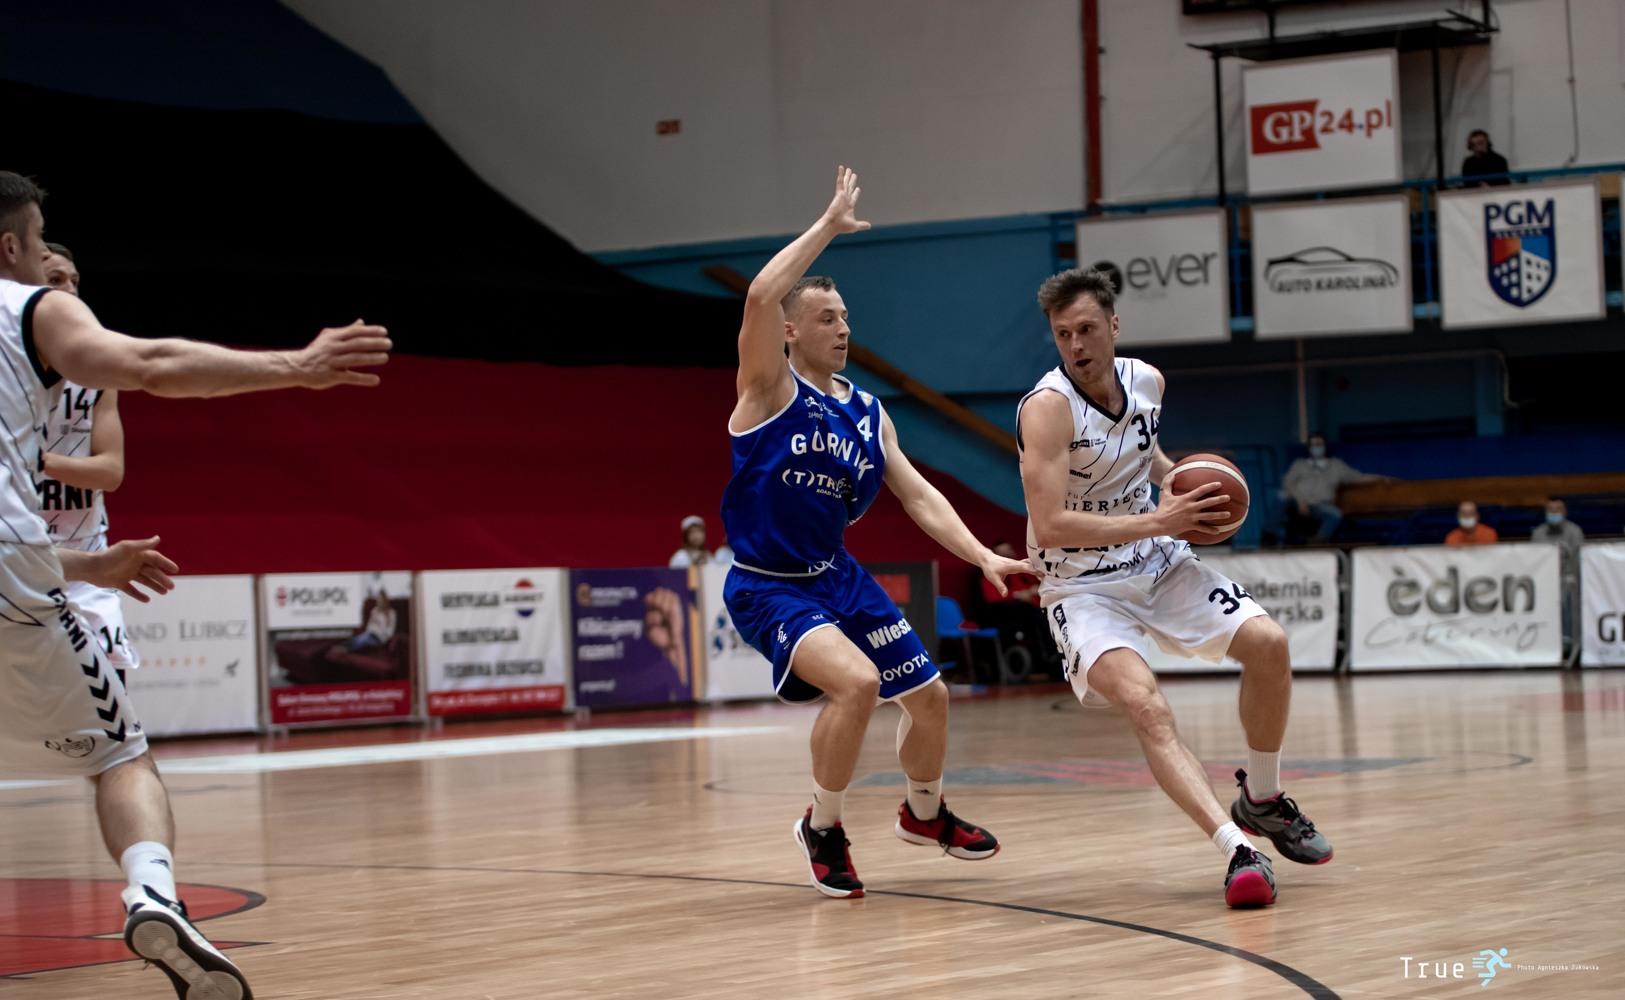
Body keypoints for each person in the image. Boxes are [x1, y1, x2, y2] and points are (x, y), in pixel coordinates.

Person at [0, 170, 389, 998]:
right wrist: (296, 365)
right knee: (122, 758)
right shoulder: (29, 309)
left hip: (51, 561)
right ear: (11, 249)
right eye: (37, 247)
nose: (46, 266)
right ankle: (153, 895)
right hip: (19, 580)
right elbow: (152, 362)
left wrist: (86, 565)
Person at [721, 166, 1027, 898]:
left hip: (837, 574)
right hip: (769, 584)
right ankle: (822, 827)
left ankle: (924, 813)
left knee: (931, 698)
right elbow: (760, 294)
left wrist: (982, 555)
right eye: (827, 318)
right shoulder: (767, 388)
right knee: (857, 684)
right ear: (790, 331)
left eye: (846, 317)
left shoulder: (867, 411)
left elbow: (917, 494)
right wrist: (828, 226)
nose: (843, 328)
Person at [1018, 266, 1332, 909]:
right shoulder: (1046, 409)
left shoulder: (1147, 382)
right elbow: (1049, 525)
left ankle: (1263, 797)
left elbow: (1148, 459)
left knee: (1269, 644)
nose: (1075, 345)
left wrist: (1185, 482)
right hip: (1081, 587)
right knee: (1147, 707)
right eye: (1062, 334)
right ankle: (1237, 850)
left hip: (1156, 562)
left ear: (1114, 325)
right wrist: (1160, 519)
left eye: (1086, 329)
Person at [36, 243, 141, 685]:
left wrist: (37, 461)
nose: (70, 290)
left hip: (88, 564)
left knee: (114, 707)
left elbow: (110, 472)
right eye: (56, 279)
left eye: (75, 281)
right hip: (19, 558)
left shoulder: (96, 375)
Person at [1279, 432, 1389, 545]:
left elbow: (1358, 477)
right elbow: (1287, 482)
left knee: (1335, 514)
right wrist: (1300, 501)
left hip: (1321, 505)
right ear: (1309, 447)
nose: (1316, 448)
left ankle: (1316, 541)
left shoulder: (1336, 465)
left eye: (1319, 444)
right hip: (1297, 504)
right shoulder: (1299, 464)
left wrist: (1380, 478)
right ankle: (1271, 537)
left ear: (1325, 446)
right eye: (1314, 445)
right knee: (1280, 499)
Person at [973, 539, 1059, 667]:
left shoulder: (1023, 571)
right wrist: (1018, 595)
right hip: (1011, 612)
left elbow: (1036, 588)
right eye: (1003, 553)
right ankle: (1051, 657)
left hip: (1038, 605)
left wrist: (1034, 591)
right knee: (1037, 617)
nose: (1008, 555)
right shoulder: (991, 574)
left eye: (1008, 551)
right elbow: (992, 597)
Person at [668, 514, 733, 568]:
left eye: (699, 531)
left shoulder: (708, 556)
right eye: (692, 532)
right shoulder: (680, 557)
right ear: (685, 537)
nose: (696, 536)